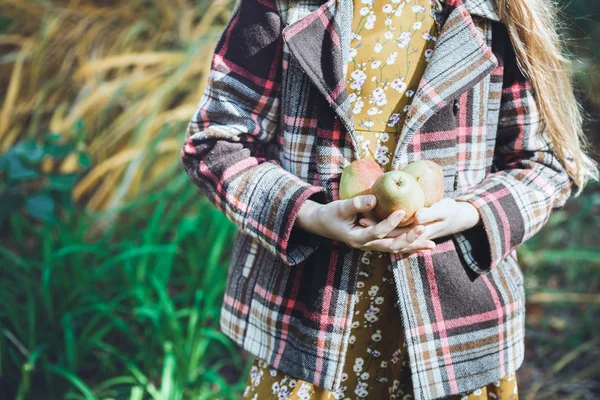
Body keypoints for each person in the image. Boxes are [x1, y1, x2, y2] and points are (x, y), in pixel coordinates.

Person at [180, 0, 598, 398]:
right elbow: (215, 141)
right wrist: (308, 214)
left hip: (457, 333)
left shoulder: (491, 12)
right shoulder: (286, 6)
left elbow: (545, 162)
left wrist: (469, 213)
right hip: (309, 328)